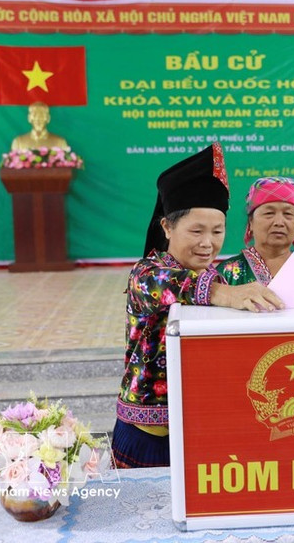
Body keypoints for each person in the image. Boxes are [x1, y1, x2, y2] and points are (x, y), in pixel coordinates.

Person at [112, 143, 284, 469]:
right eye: (196, 231)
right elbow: (172, 284)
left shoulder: (213, 276)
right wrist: (226, 295)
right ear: (167, 227)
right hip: (148, 437)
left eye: (218, 231)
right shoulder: (147, 273)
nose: (208, 243)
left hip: (200, 431)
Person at [217, 176, 294, 285]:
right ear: (251, 222)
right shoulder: (226, 273)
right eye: (269, 213)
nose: (279, 222)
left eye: (288, 214)